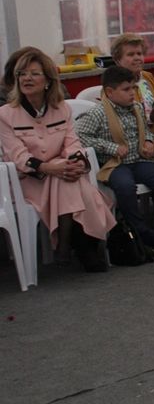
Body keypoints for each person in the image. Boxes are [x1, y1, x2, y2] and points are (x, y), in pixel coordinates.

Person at [0, 48, 116, 272]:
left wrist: (74, 163)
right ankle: (82, 246)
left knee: (67, 180)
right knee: (71, 183)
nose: (26, 78)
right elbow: (18, 155)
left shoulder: (61, 108)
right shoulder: (5, 114)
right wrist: (49, 167)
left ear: (47, 80)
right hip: (28, 180)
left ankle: (67, 244)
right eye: (22, 74)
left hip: (62, 172)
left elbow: (72, 143)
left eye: (33, 73)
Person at [76, 65, 154, 258]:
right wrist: (112, 148)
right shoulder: (98, 113)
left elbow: (144, 131)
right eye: (126, 89)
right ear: (109, 92)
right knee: (125, 187)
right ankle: (144, 234)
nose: (132, 93)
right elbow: (80, 136)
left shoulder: (137, 109)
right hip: (114, 164)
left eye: (133, 88)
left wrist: (149, 141)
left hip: (138, 160)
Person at [111, 33, 154, 118]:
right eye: (131, 54)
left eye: (139, 53)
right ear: (117, 60)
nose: (137, 58)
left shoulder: (147, 76)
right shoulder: (112, 84)